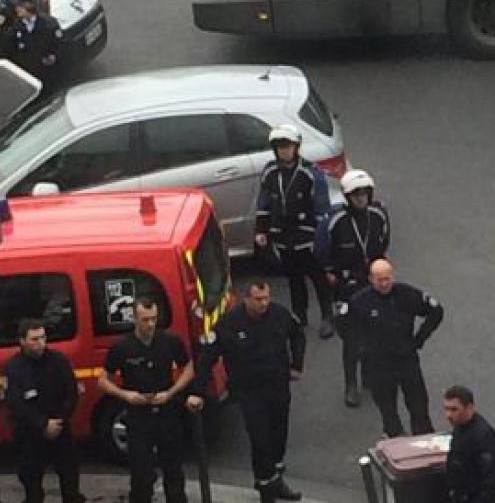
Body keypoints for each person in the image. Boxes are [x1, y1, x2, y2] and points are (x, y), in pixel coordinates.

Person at [186, 281, 306, 503]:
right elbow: (207, 358)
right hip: (250, 392)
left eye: (266, 298)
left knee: (278, 437)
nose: (264, 303)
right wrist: (198, 392)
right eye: (258, 299)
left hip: (277, 387)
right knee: (260, 440)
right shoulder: (229, 324)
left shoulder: (279, 314)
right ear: (246, 299)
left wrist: (297, 365)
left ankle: (275, 479)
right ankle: (265, 488)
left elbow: (297, 334)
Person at [98, 297, 195, 503]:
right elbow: (103, 380)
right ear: (134, 318)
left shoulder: (169, 341)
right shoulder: (123, 347)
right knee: (141, 475)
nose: (150, 324)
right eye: (145, 320)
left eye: (153, 319)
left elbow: (188, 368)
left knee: (174, 471)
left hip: (167, 412)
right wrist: (126, 395)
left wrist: (171, 392)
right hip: (138, 417)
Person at [342, 259, 442, 437]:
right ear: (371, 279)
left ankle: (424, 438)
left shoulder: (407, 294)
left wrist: (419, 339)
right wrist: (362, 347)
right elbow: (344, 324)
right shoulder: (360, 301)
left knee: (418, 403)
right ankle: (394, 437)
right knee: (387, 406)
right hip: (379, 363)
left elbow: (436, 311)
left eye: (387, 278)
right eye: (379, 279)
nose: (384, 283)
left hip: (406, 359)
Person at [255, 123, 334, 333]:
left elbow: (322, 207)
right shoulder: (270, 172)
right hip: (282, 235)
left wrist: (318, 235)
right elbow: (263, 203)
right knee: (293, 277)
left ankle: (328, 315)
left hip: (306, 235)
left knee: (317, 276)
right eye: (280, 147)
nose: (284, 151)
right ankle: (300, 314)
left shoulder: (310, 173)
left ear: (296, 147)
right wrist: (261, 231)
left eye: (288, 146)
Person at [326, 168, 390, 407]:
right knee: (351, 337)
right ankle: (351, 384)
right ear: (347, 197)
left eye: (365, 193)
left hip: (373, 282)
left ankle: (370, 376)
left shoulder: (379, 216)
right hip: (347, 286)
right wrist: (333, 275)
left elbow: (383, 243)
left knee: (375, 330)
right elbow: (323, 251)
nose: (361, 198)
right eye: (356, 194)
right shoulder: (336, 222)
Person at [5, 319, 84, 503]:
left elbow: (71, 393)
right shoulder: (14, 368)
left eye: (43, 337)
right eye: (34, 339)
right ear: (22, 341)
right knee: (32, 485)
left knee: (70, 480)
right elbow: (16, 403)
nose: (40, 343)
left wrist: (59, 421)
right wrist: (42, 424)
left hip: (60, 430)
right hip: (30, 434)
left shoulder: (59, 361)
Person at [443, 385, 495, 503]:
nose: (448, 415)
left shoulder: (483, 436)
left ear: (469, 408)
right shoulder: (460, 427)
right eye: (446, 409)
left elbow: (493, 478)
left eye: (454, 409)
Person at [0, 0, 63, 89]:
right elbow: (6, 49)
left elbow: (59, 44)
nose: (17, 9)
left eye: (20, 6)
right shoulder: (16, 28)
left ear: (30, 6)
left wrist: (54, 56)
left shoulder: (48, 24)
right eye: (17, 6)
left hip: (48, 75)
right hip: (29, 79)